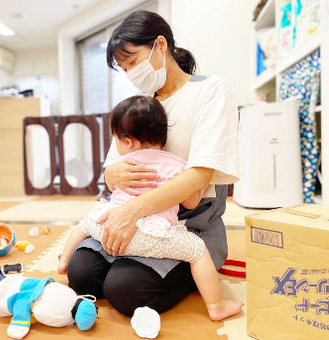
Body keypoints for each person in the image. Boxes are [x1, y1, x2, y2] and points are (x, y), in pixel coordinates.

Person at [66, 10, 240, 318]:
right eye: (124, 68)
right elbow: (112, 170)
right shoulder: (142, 105)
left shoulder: (210, 91)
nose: (130, 73)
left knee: (125, 290)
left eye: (132, 62)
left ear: (161, 45)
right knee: (81, 274)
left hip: (188, 226)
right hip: (130, 218)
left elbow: (199, 178)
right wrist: (113, 175)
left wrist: (133, 211)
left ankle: (192, 273)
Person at [58, 96, 243, 321]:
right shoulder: (175, 164)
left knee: (86, 222)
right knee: (196, 251)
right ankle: (216, 306)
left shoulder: (124, 164)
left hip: (109, 226)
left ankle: (63, 260)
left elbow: (111, 187)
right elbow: (192, 202)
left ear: (129, 142)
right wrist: (199, 179)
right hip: (152, 235)